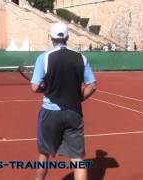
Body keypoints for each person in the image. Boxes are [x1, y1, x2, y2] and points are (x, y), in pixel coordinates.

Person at [31, 23, 97, 180]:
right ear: (68, 36)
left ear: (51, 37)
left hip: (51, 113)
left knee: (44, 154)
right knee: (78, 160)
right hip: (74, 112)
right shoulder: (81, 57)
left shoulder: (44, 57)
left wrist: (44, 89)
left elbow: (34, 87)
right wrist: (79, 98)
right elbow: (92, 85)